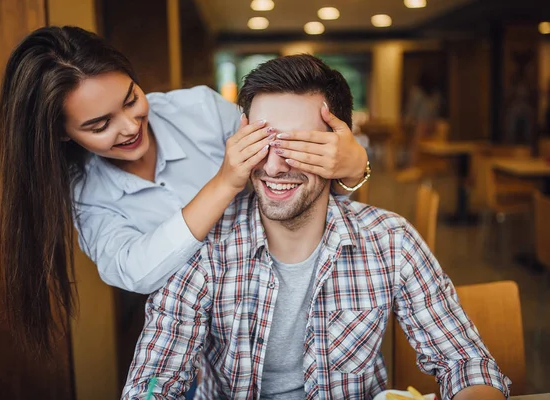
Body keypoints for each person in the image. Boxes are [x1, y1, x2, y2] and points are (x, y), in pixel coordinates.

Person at [122, 55, 510, 400]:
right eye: (262, 142)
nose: (274, 167)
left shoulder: (391, 240)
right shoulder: (203, 246)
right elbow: (153, 381)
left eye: (299, 146)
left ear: (337, 147)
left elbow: (465, 362)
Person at [0, 26, 369, 352]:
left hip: (293, 302)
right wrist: (224, 182)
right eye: (99, 125)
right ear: (62, 132)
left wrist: (353, 169)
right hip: (199, 340)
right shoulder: (85, 193)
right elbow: (135, 270)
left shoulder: (198, 110)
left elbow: (295, 186)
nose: (128, 126)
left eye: (131, 100)